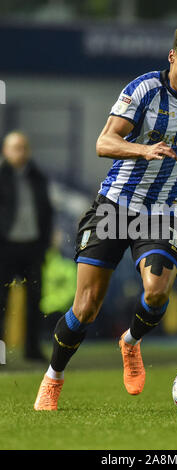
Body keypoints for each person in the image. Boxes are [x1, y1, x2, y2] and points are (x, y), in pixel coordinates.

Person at [34, 21, 177, 410]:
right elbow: (104, 142)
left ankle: (130, 342)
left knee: (156, 293)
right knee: (86, 306)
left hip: (167, 211)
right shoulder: (143, 90)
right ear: (172, 56)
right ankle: (53, 378)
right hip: (115, 205)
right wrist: (143, 150)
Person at [0, 131, 53, 361]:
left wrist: (45, 242)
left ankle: (32, 349)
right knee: (0, 302)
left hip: (32, 246)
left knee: (34, 300)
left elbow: (47, 211)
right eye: (14, 147)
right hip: (5, 247)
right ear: (5, 150)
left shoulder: (38, 176)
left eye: (23, 147)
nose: (19, 152)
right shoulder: (1, 176)